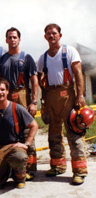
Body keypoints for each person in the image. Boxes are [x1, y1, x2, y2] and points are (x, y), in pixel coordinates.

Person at [37, 23, 87, 185]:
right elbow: (39, 80)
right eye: (48, 34)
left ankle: (79, 170)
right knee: (54, 134)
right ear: (45, 37)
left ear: (60, 35)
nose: (51, 36)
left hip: (68, 96)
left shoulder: (70, 51)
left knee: (74, 133)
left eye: (54, 33)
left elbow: (78, 73)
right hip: (51, 97)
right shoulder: (43, 57)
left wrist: (80, 95)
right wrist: (43, 102)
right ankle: (58, 166)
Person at [0, 78, 38, 189]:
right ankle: (6, 170)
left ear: (8, 91)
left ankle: (19, 176)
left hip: (15, 147)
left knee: (19, 157)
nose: (0, 93)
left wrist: (26, 144)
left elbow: (34, 125)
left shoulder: (17, 108)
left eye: (3, 90)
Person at [0, 27, 39, 179]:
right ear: (5, 40)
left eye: (15, 37)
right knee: (11, 129)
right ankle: (15, 167)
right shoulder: (1, 60)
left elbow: (34, 80)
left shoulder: (27, 58)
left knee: (27, 128)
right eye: (10, 37)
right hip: (6, 95)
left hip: (22, 94)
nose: (12, 40)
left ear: (19, 39)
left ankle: (30, 169)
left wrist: (33, 101)